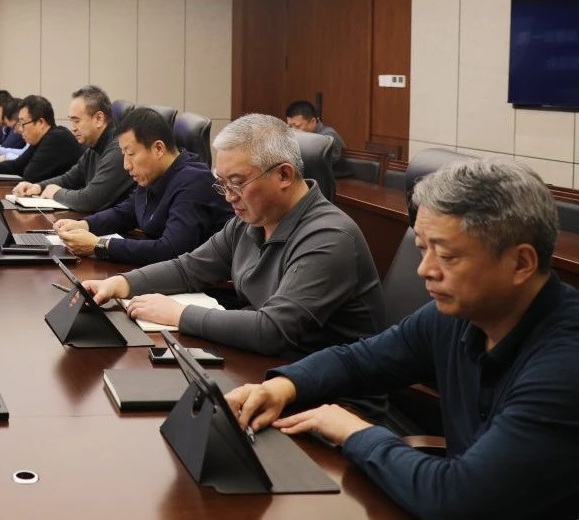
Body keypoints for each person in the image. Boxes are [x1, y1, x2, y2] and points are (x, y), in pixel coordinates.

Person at [225, 159, 579, 519]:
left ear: (520, 263)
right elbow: (360, 360)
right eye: (423, 249)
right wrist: (283, 387)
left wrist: (355, 432)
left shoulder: (564, 367)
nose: (424, 269)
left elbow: (458, 499)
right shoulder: (456, 315)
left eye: (446, 255)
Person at [80, 113, 383, 358]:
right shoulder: (250, 221)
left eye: (236, 183)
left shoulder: (329, 237)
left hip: (332, 396)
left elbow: (273, 330)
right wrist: (121, 283)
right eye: (222, 184)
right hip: (270, 367)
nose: (228, 196)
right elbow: (189, 268)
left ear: (284, 175)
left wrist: (179, 314)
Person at [54, 106, 232, 262]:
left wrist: (99, 245)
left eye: (131, 154)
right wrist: (85, 225)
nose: (126, 165)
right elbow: (127, 212)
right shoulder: (154, 173)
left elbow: (171, 250)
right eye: (123, 154)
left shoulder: (194, 182)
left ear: (158, 149)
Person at [11, 85, 133, 213]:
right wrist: (38, 187)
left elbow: (90, 200)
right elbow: (69, 179)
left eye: (76, 121)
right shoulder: (94, 147)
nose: (73, 128)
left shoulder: (118, 148)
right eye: (71, 121)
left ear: (99, 119)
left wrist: (56, 193)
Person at [0, 95, 82, 183]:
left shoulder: (56, 138)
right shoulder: (40, 138)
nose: (20, 129)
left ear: (40, 123)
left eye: (23, 123)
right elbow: (17, 165)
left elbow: (30, 176)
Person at [285, 100, 350, 178]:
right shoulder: (296, 136)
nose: (293, 130)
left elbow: (320, 165)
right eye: (290, 126)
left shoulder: (328, 137)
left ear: (313, 121)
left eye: (297, 126)